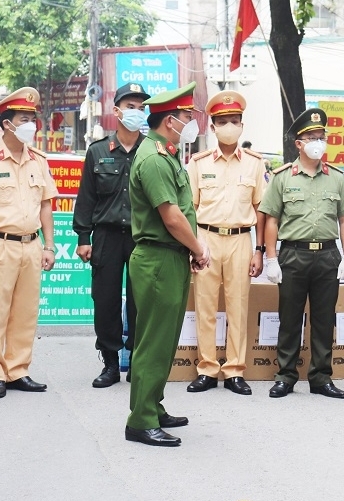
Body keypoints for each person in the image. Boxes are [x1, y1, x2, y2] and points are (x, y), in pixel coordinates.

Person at [125, 82, 211, 447]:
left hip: (169, 256)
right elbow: (172, 216)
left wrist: (188, 250)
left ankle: (153, 405)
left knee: (165, 339)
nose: (192, 122)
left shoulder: (166, 152)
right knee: (153, 341)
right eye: (188, 116)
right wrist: (198, 247)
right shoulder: (155, 159)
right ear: (171, 121)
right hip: (159, 257)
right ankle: (140, 420)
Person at [258, 108, 344, 399]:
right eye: (312, 137)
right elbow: (271, 219)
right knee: (289, 319)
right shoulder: (283, 178)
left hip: (327, 256)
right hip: (293, 256)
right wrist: (271, 258)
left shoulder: (337, 178)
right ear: (299, 144)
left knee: (324, 319)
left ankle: (321, 377)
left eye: (321, 137)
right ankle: (285, 376)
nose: (318, 142)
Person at [0, 87, 57, 398]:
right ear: (6, 124)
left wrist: (49, 245)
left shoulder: (38, 161)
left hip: (31, 245)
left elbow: (46, 205)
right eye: (24, 118)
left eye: (33, 117)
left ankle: (18, 370)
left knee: (26, 312)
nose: (31, 122)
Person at [185, 90, 266, 395]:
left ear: (242, 125)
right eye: (223, 121)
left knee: (238, 307)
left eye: (234, 120)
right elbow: (189, 209)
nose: (229, 126)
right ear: (213, 127)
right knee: (204, 306)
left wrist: (259, 251)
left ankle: (234, 370)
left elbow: (261, 210)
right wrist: (193, 248)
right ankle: (206, 368)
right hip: (205, 239)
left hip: (240, 241)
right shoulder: (198, 163)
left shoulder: (255, 164)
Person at [73, 82, 150, 388]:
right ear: (117, 111)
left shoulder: (152, 150)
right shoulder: (98, 152)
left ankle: (136, 361)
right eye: (130, 106)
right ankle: (109, 363)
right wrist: (83, 238)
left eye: (141, 107)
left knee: (140, 301)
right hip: (106, 236)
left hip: (142, 237)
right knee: (104, 300)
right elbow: (87, 198)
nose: (136, 112)